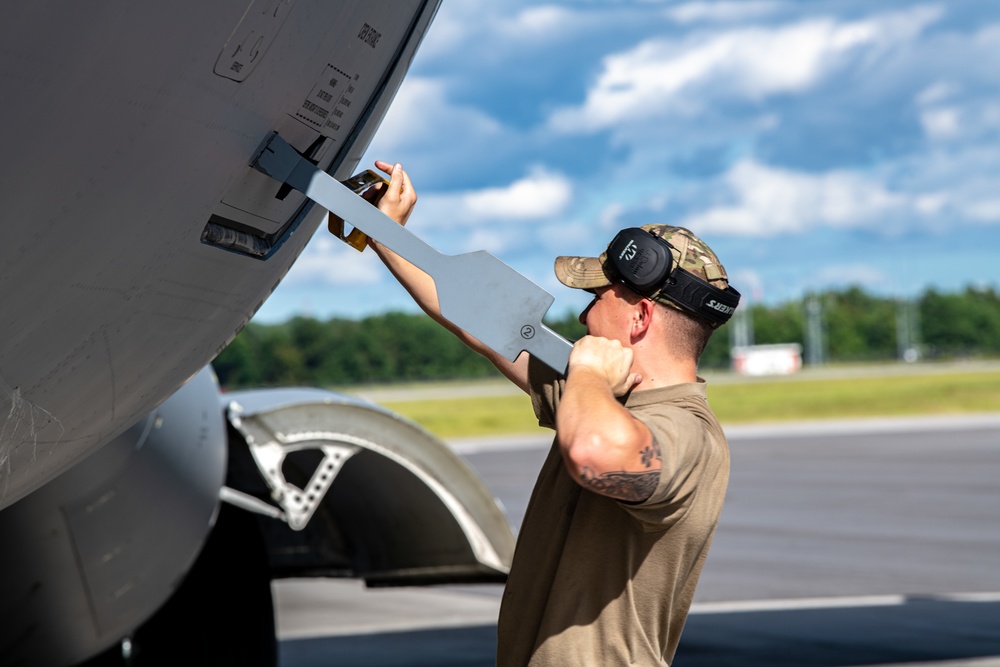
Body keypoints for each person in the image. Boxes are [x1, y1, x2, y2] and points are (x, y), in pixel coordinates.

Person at [333, 160, 739, 666]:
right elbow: (483, 329)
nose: (583, 314)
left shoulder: (685, 432)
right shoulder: (605, 397)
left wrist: (589, 374)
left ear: (640, 316)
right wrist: (384, 234)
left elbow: (596, 452)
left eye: (597, 296)